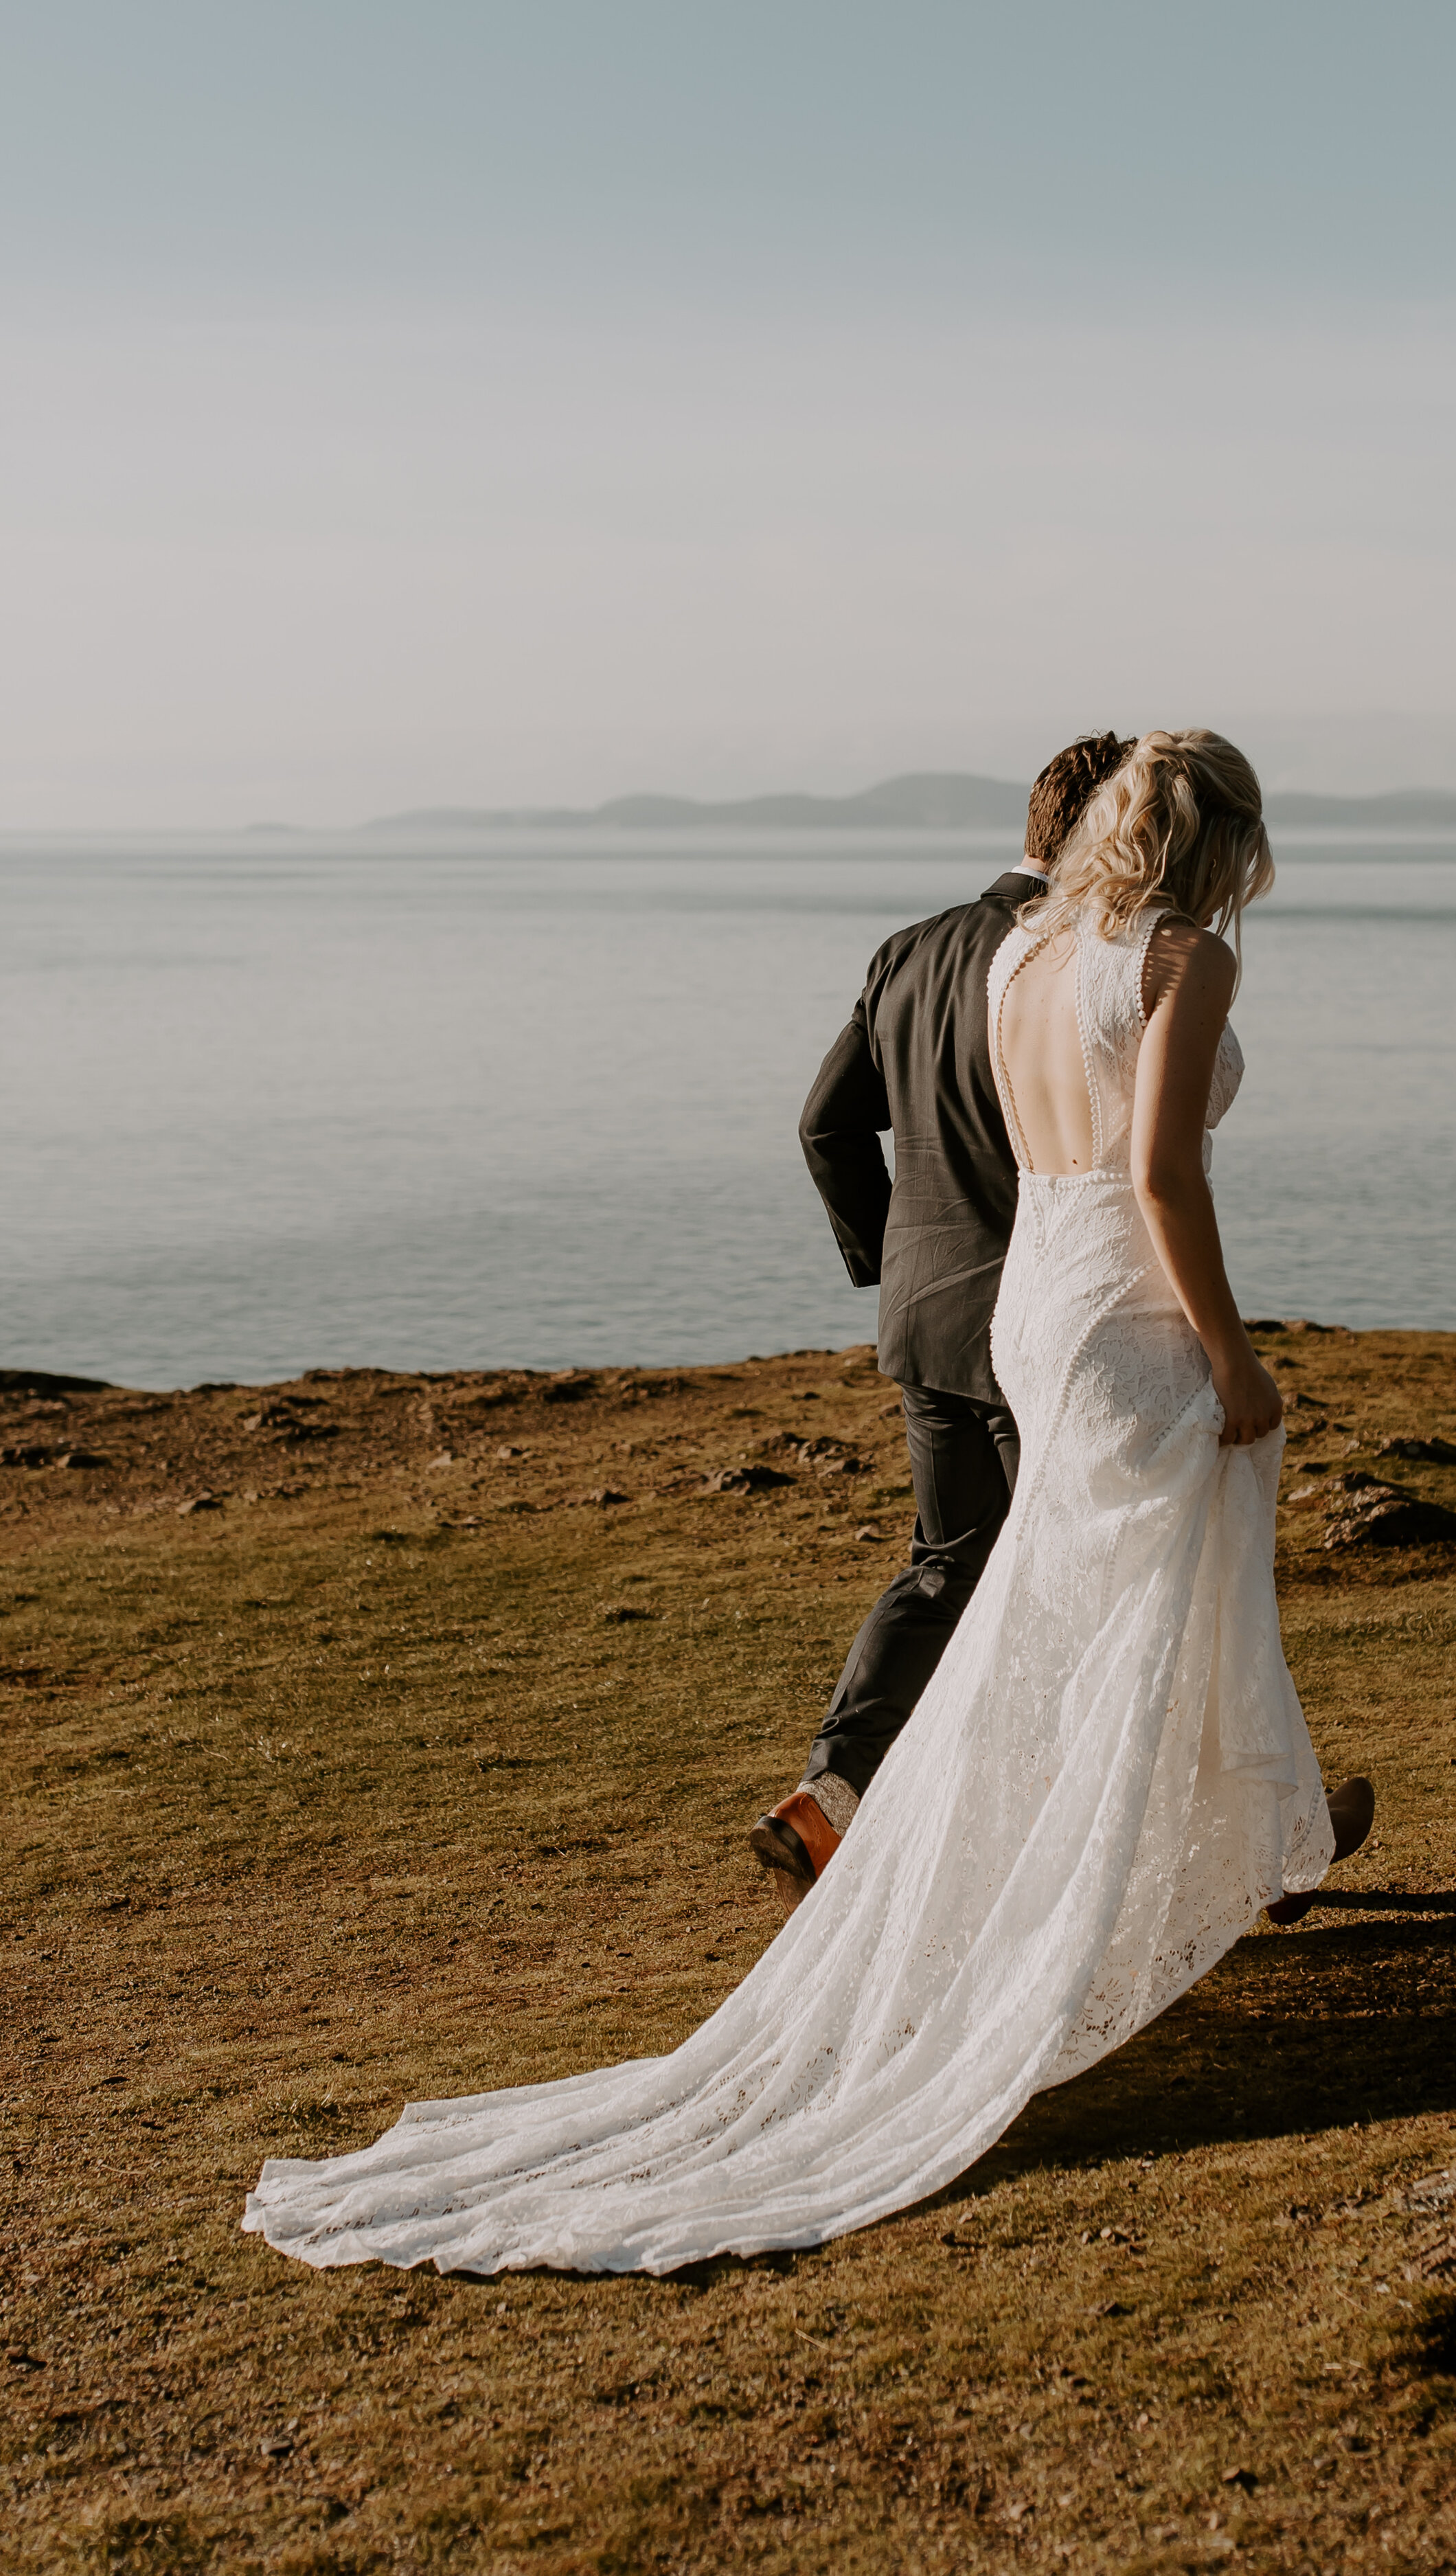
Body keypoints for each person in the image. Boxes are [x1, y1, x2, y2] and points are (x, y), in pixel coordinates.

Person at [245, 725, 1374, 2281]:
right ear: (1226, 841)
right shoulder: (1179, 963)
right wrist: (1238, 1366)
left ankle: (1232, 1843)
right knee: (1115, 1615)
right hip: (1118, 1317)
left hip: (1026, 1315)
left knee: (1054, 1605)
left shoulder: (1023, 954)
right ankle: (1102, 1893)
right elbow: (1164, 1181)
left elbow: (991, 1149)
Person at [749, 732, 1138, 1906]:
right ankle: (1217, 1831)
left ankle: (829, 1793)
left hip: (925, 1315)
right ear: (1100, 834)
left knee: (947, 1560)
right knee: (1109, 1570)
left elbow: (825, 1124)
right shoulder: (1070, 961)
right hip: (1041, 1316)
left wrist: (893, 1258)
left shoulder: (910, 950)